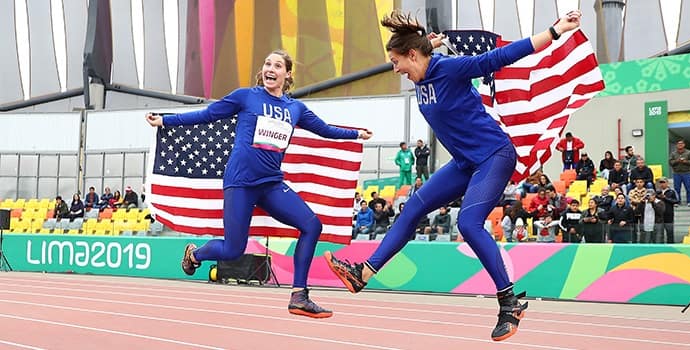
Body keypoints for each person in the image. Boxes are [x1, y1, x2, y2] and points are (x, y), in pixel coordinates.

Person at [323, 9, 582, 342]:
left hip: (493, 156)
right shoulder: (424, 71)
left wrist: (555, 30)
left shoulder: (450, 69)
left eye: (396, 61)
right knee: (413, 207)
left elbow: (502, 55)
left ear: (411, 55)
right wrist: (429, 44)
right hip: (464, 162)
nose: (395, 68)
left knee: (468, 223)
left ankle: (509, 302)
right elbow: (426, 60)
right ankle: (363, 273)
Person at [144, 50, 372, 318]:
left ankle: (299, 295)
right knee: (233, 250)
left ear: (287, 75)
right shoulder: (246, 96)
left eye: (277, 65)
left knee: (312, 225)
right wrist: (166, 120)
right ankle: (194, 255)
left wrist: (355, 133)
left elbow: (324, 129)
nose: (270, 68)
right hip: (240, 183)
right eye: (266, 63)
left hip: (271, 184)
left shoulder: (294, 108)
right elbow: (207, 115)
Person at [669, 139, 690, 206]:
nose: (680, 145)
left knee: (688, 188)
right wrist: (677, 161)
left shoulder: (689, 152)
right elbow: (670, 162)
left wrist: (685, 161)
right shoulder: (673, 153)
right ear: (676, 145)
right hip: (676, 173)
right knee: (677, 188)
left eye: (681, 143)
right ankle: (677, 201)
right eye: (678, 143)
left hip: (687, 173)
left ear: (684, 145)